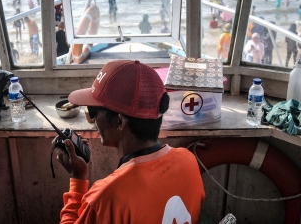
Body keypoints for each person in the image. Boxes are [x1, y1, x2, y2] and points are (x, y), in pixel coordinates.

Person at [54, 60, 205, 223]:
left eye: (94, 112)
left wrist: (77, 177)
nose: (93, 120)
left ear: (120, 121)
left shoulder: (107, 197)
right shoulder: (188, 161)